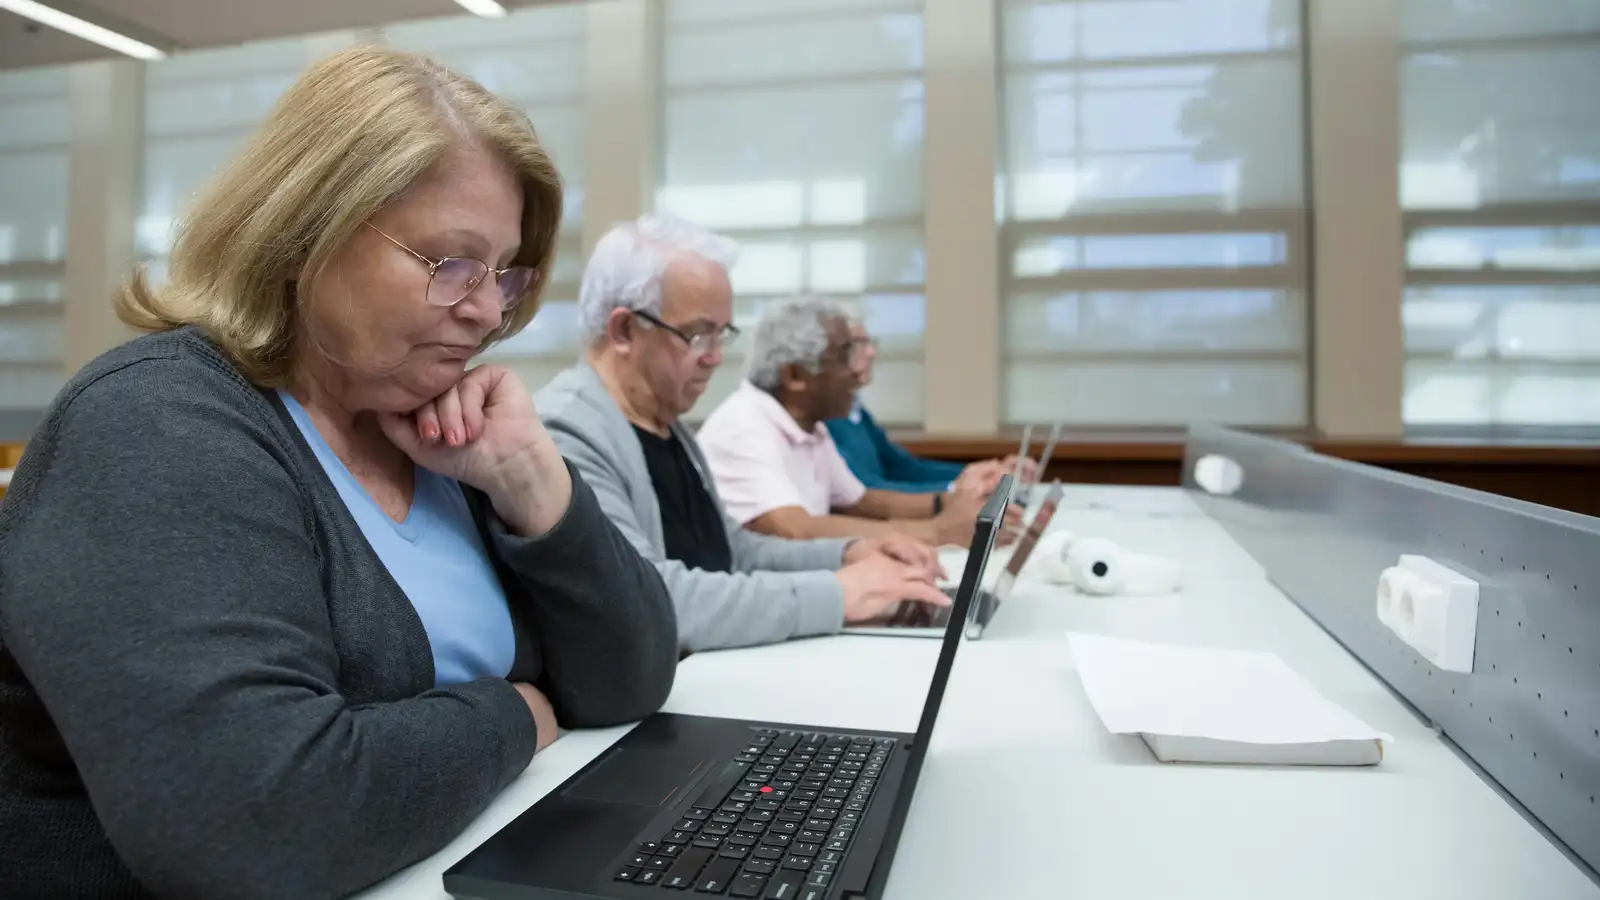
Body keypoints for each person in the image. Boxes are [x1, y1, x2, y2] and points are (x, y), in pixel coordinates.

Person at [0, 48, 677, 900]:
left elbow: (632, 675)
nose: (486, 310)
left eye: (506, 274)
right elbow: (251, 825)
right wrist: (513, 714)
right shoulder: (156, 424)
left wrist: (532, 482)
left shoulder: (441, 429)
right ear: (300, 236)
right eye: (450, 264)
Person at [535, 214, 950, 653]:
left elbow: (731, 551)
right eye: (697, 335)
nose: (715, 358)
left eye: (722, 335)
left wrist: (846, 553)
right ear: (624, 330)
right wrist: (840, 593)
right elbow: (652, 596)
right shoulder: (567, 433)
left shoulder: (666, 424)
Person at [695, 296, 1022, 547]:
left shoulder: (810, 424)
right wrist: (937, 531)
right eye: (844, 356)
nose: (857, 371)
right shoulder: (743, 427)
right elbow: (794, 529)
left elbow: (861, 500)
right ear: (795, 375)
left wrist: (951, 502)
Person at [825, 317, 1030, 495]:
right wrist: (955, 489)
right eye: (858, 343)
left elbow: (903, 467)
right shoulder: (825, 415)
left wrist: (981, 472)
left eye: (869, 342)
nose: (870, 352)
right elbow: (863, 491)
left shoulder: (856, 412)